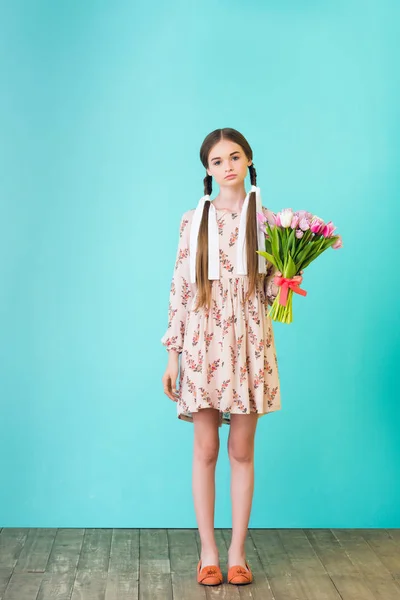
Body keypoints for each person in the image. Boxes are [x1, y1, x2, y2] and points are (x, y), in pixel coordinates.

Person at [161, 128, 286, 586]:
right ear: (207, 170)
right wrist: (173, 355)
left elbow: (272, 296)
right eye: (217, 161)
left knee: (241, 449)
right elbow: (180, 289)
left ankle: (237, 552)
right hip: (202, 342)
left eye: (234, 157)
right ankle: (208, 551)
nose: (227, 166)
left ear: (248, 160)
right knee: (206, 448)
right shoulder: (193, 221)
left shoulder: (271, 223)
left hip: (249, 343)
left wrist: (287, 278)